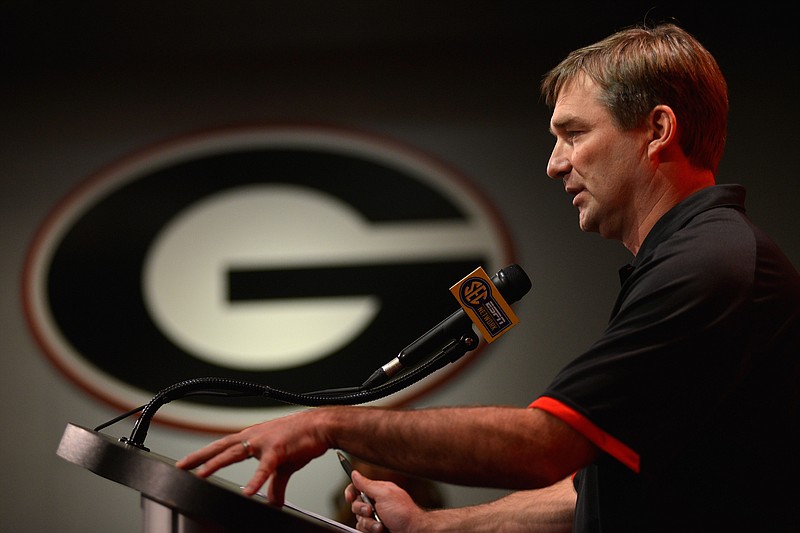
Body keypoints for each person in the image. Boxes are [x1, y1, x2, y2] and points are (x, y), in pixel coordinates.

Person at [177, 23, 800, 532]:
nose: (555, 165)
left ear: (658, 132)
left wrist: (325, 424)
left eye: (574, 134)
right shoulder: (693, 260)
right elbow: (589, 493)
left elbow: (543, 445)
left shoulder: (712, 265)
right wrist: (431, 529)